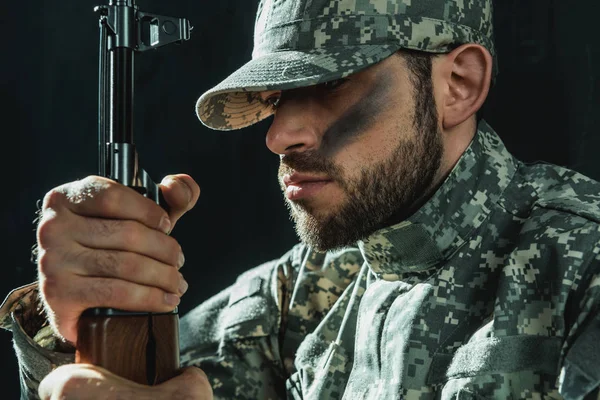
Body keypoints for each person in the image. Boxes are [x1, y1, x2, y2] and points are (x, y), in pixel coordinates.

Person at [1, 0, 599, 398]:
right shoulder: (304, 291)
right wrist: (78, 320)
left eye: (332, 81)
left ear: (458, 84)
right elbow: (134, 385)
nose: (279, 135)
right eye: (275, 94)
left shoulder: (582, 271)